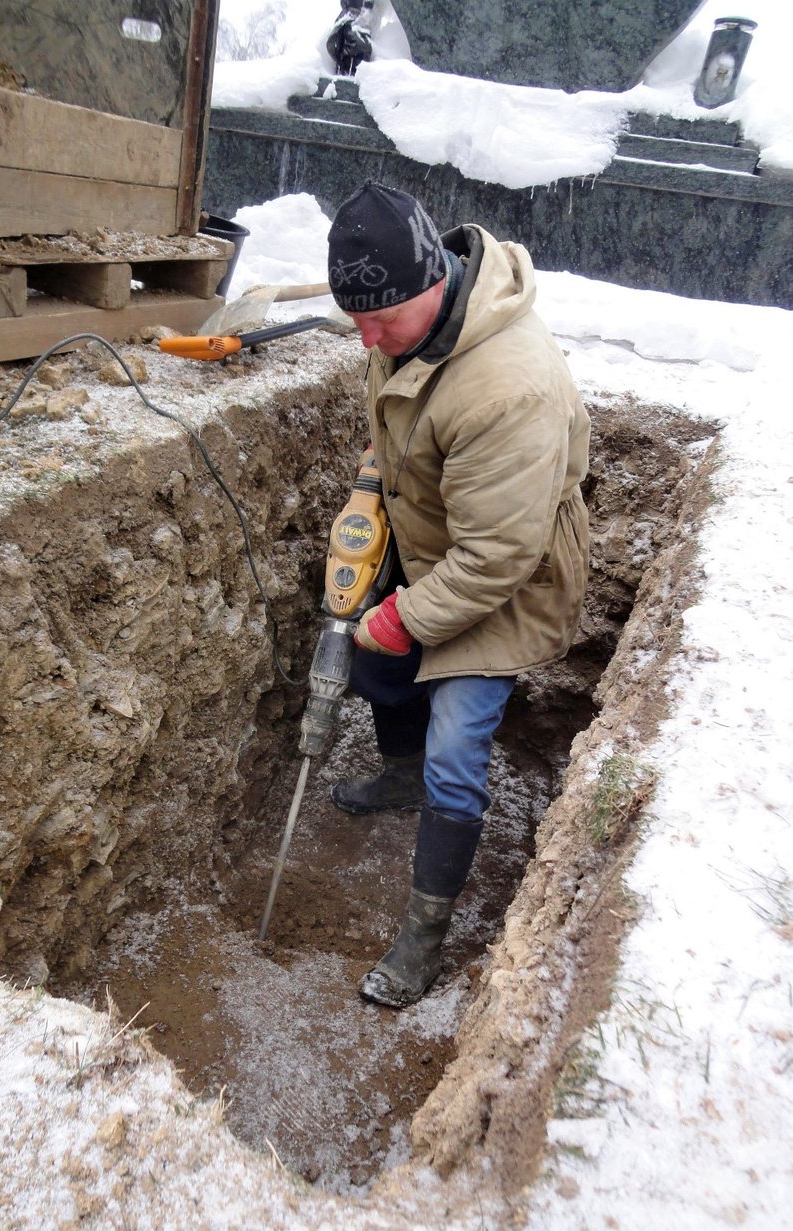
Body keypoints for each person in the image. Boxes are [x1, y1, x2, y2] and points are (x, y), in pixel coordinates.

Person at [326, 181, 590, 1009]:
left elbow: (496, 559)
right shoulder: (402, 322)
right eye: (355, 322)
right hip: (435, 531)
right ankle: (398, 775)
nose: (367, 340)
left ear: (433, 280)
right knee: (381, 671)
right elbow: (400, 419)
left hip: (504, 577)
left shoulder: (509, 386)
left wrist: (403, 616)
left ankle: (423, 937)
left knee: (456, 746)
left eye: (380, 322)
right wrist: (375, 479)